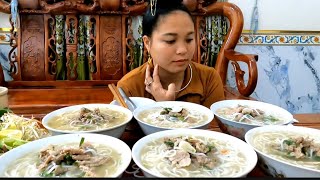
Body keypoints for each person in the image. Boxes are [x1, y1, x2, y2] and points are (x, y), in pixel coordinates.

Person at [117, 0, 225, 108]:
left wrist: (167, 106)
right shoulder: (129, 87)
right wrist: (163, 107)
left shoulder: (209, 79)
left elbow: (215, 125)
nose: (183, 50)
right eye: (170, 41)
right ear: (147, 43)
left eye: (189, 39)